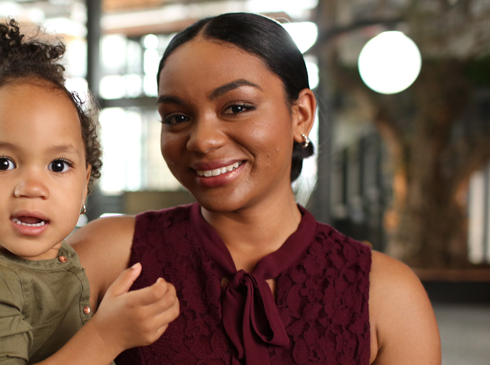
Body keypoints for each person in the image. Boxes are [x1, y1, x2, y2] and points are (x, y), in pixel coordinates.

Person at [69, 12, 441, 365]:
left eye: (237, 107)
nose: (202, 140)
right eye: (178, 117)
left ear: (302, 115)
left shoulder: (388, 295)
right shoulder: (110, 256)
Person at [0, 20, 179, 365]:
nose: (32, 188)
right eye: (3, 163)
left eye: (58, 166)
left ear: (85, 184)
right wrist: (107, 336)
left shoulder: (60, 260)